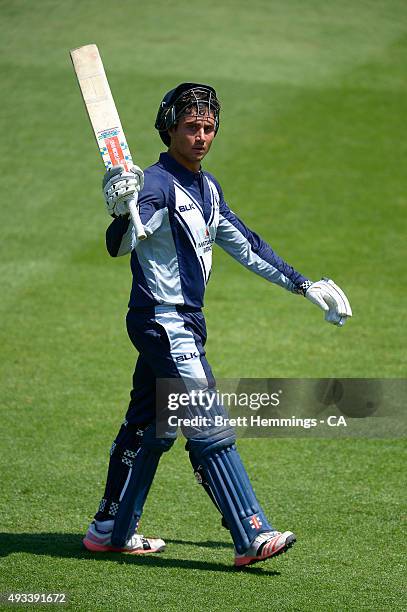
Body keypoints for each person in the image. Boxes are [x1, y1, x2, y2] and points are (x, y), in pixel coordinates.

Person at [82, 83, 352, 567]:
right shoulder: (155, 184)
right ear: (169, 129)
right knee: (205, 418)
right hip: (163, 322)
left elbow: (246, 244)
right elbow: (119, 245)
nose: (202, 136)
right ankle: (251, 532)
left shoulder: (207, 188)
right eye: (191, 127)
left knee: (151, 427)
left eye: (208, 128)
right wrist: (121, 208)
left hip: (182, 323)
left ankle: (109, 529)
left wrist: (304, 285)